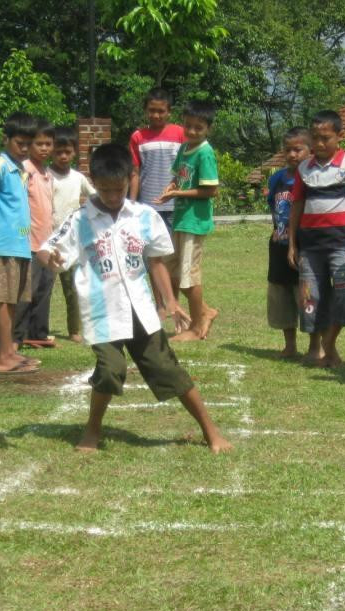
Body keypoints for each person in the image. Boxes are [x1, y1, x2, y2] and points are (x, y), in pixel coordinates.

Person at [39, 143, 232, 454]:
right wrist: (50, 258)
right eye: (104, 190)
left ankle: (212, 432)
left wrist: (170, 303)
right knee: (110, 369)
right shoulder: (80, 220)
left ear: (130, 178)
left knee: (168, 369)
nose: (113, 196)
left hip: (141, 310)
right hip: (102, 312)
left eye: (118, 189)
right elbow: (50, 248)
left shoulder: (144, 216)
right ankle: (92, 431)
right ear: (94, 181)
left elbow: (155, 262)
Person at [286, 110, 345, 367]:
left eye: (325, 138)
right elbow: (297, 205)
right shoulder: (304, 168)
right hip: (310, 246)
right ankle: (315, 348)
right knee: (310, 297)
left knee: (344, 294)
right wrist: (292, 243)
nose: (320, 144)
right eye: (315, 138)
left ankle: (329, 343)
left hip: (342, 245)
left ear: (339, 136)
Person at [0, 112, 40, 375]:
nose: (24, 148)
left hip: (21, 244)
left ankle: (10, 351)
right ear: (7, 139)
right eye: (19, 143)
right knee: (6, 300)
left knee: (15, 301)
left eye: (27, 144)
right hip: (5, 244)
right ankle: (2, 358)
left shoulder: (21, 169)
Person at [154, 100, 220, 342]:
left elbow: (210, 190)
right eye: (188, 126)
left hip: (195, 222)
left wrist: (177, 194)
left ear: (207, 129)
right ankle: (205, 312)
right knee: (174, 273)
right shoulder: (184, 149)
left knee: (188, 276)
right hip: (180, 219)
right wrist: (169, 190)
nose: (191, 131)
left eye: (198, 128)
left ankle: (195, 327)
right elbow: (177, 178)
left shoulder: (205, 152)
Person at [264, 127, 311, 358]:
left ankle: (315, 345)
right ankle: (290, 345)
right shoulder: (276, 179)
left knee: (307, 295)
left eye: (298, 149)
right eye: (288, 150)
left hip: (305, 246)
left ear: (309, 151)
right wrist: (277, 231)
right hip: (279, 245)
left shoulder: (312, 178)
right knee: (281, 294)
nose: (292, 155)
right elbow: (274, 206)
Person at [12, 120, 57, 348]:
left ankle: (38, 334)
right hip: (29, 243)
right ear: (30, 145)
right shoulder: (25, 170)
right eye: (39, 143)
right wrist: (22, 236)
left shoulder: (47, 172)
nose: (44, 148)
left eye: (48, 144)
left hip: (47, 243)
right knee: (25, 293)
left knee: (44, 290)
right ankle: (16, 337)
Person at [49, 126, 95, 344]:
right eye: (59, 152)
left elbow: (95, 197)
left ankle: (74, 330)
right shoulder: (45, 177)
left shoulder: (78, 178)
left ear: (75, 152)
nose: (63, 156)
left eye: (67, 151)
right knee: (41, 289)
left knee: (72, 289)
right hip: (47, 240)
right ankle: (35, 329)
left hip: (71, 242)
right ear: (51, 152)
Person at [128, 88, 185, 233]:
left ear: (169, 111)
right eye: (151, 110)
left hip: (175, 204)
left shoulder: (180, 134)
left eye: (161, 111)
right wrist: (132, 203)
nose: (156, 115)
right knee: (149, 249)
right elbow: (135, 173)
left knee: (173, 250)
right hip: (147, 205)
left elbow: (185, 169)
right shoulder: (138, 137)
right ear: (145, 110)